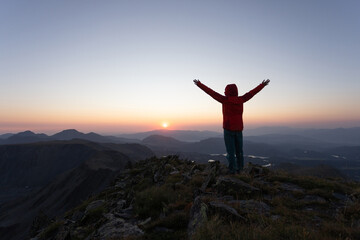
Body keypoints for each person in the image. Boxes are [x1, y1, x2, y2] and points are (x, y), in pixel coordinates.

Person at [193, 78, 270, 173]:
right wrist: (262, 85)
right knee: (239, 151)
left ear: (227, 92)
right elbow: (252, 93)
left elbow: (211, 92)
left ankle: (232, 169)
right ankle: (240, 169)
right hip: (239, 129)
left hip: (228, 129)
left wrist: (199, 84)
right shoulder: (241, 99)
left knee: (230, 152)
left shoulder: (224, 100)